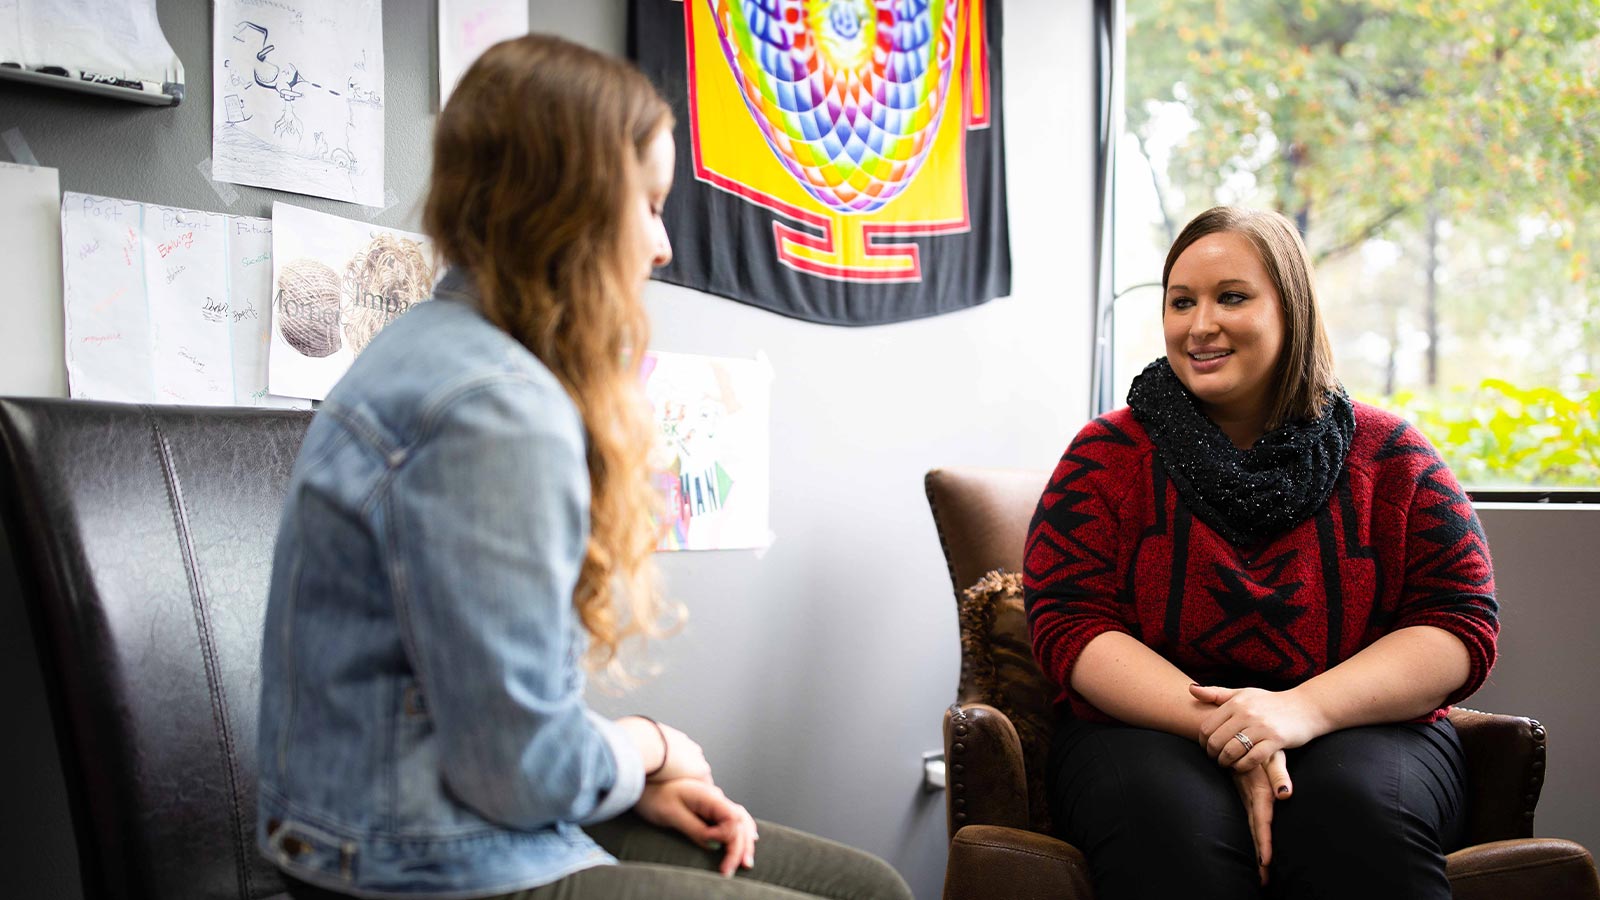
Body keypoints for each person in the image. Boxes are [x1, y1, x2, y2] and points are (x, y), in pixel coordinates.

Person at [255, 34, 912, 900]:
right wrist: (653, 745)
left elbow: (493, 716)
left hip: (396, 817)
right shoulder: (497, 408)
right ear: (570, 207)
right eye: (647, 203)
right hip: (413, 854)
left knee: (868, 887)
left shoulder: (430, 350)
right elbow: (521, 771)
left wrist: (636, 775)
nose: (664, 245)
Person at [1023, 206, 1499, 899]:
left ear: (1292, 308)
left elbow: (1460, 624)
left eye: (1231, 297)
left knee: (1356, 813)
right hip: (1144, 728)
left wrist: (1299, 711)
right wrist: (1237, 728)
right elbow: (1069, 622)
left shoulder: (1392, 454)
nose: (1199, 324)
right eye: (1181, 302)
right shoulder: (1104, 456)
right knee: (1167, 823)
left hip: (1358, 725)